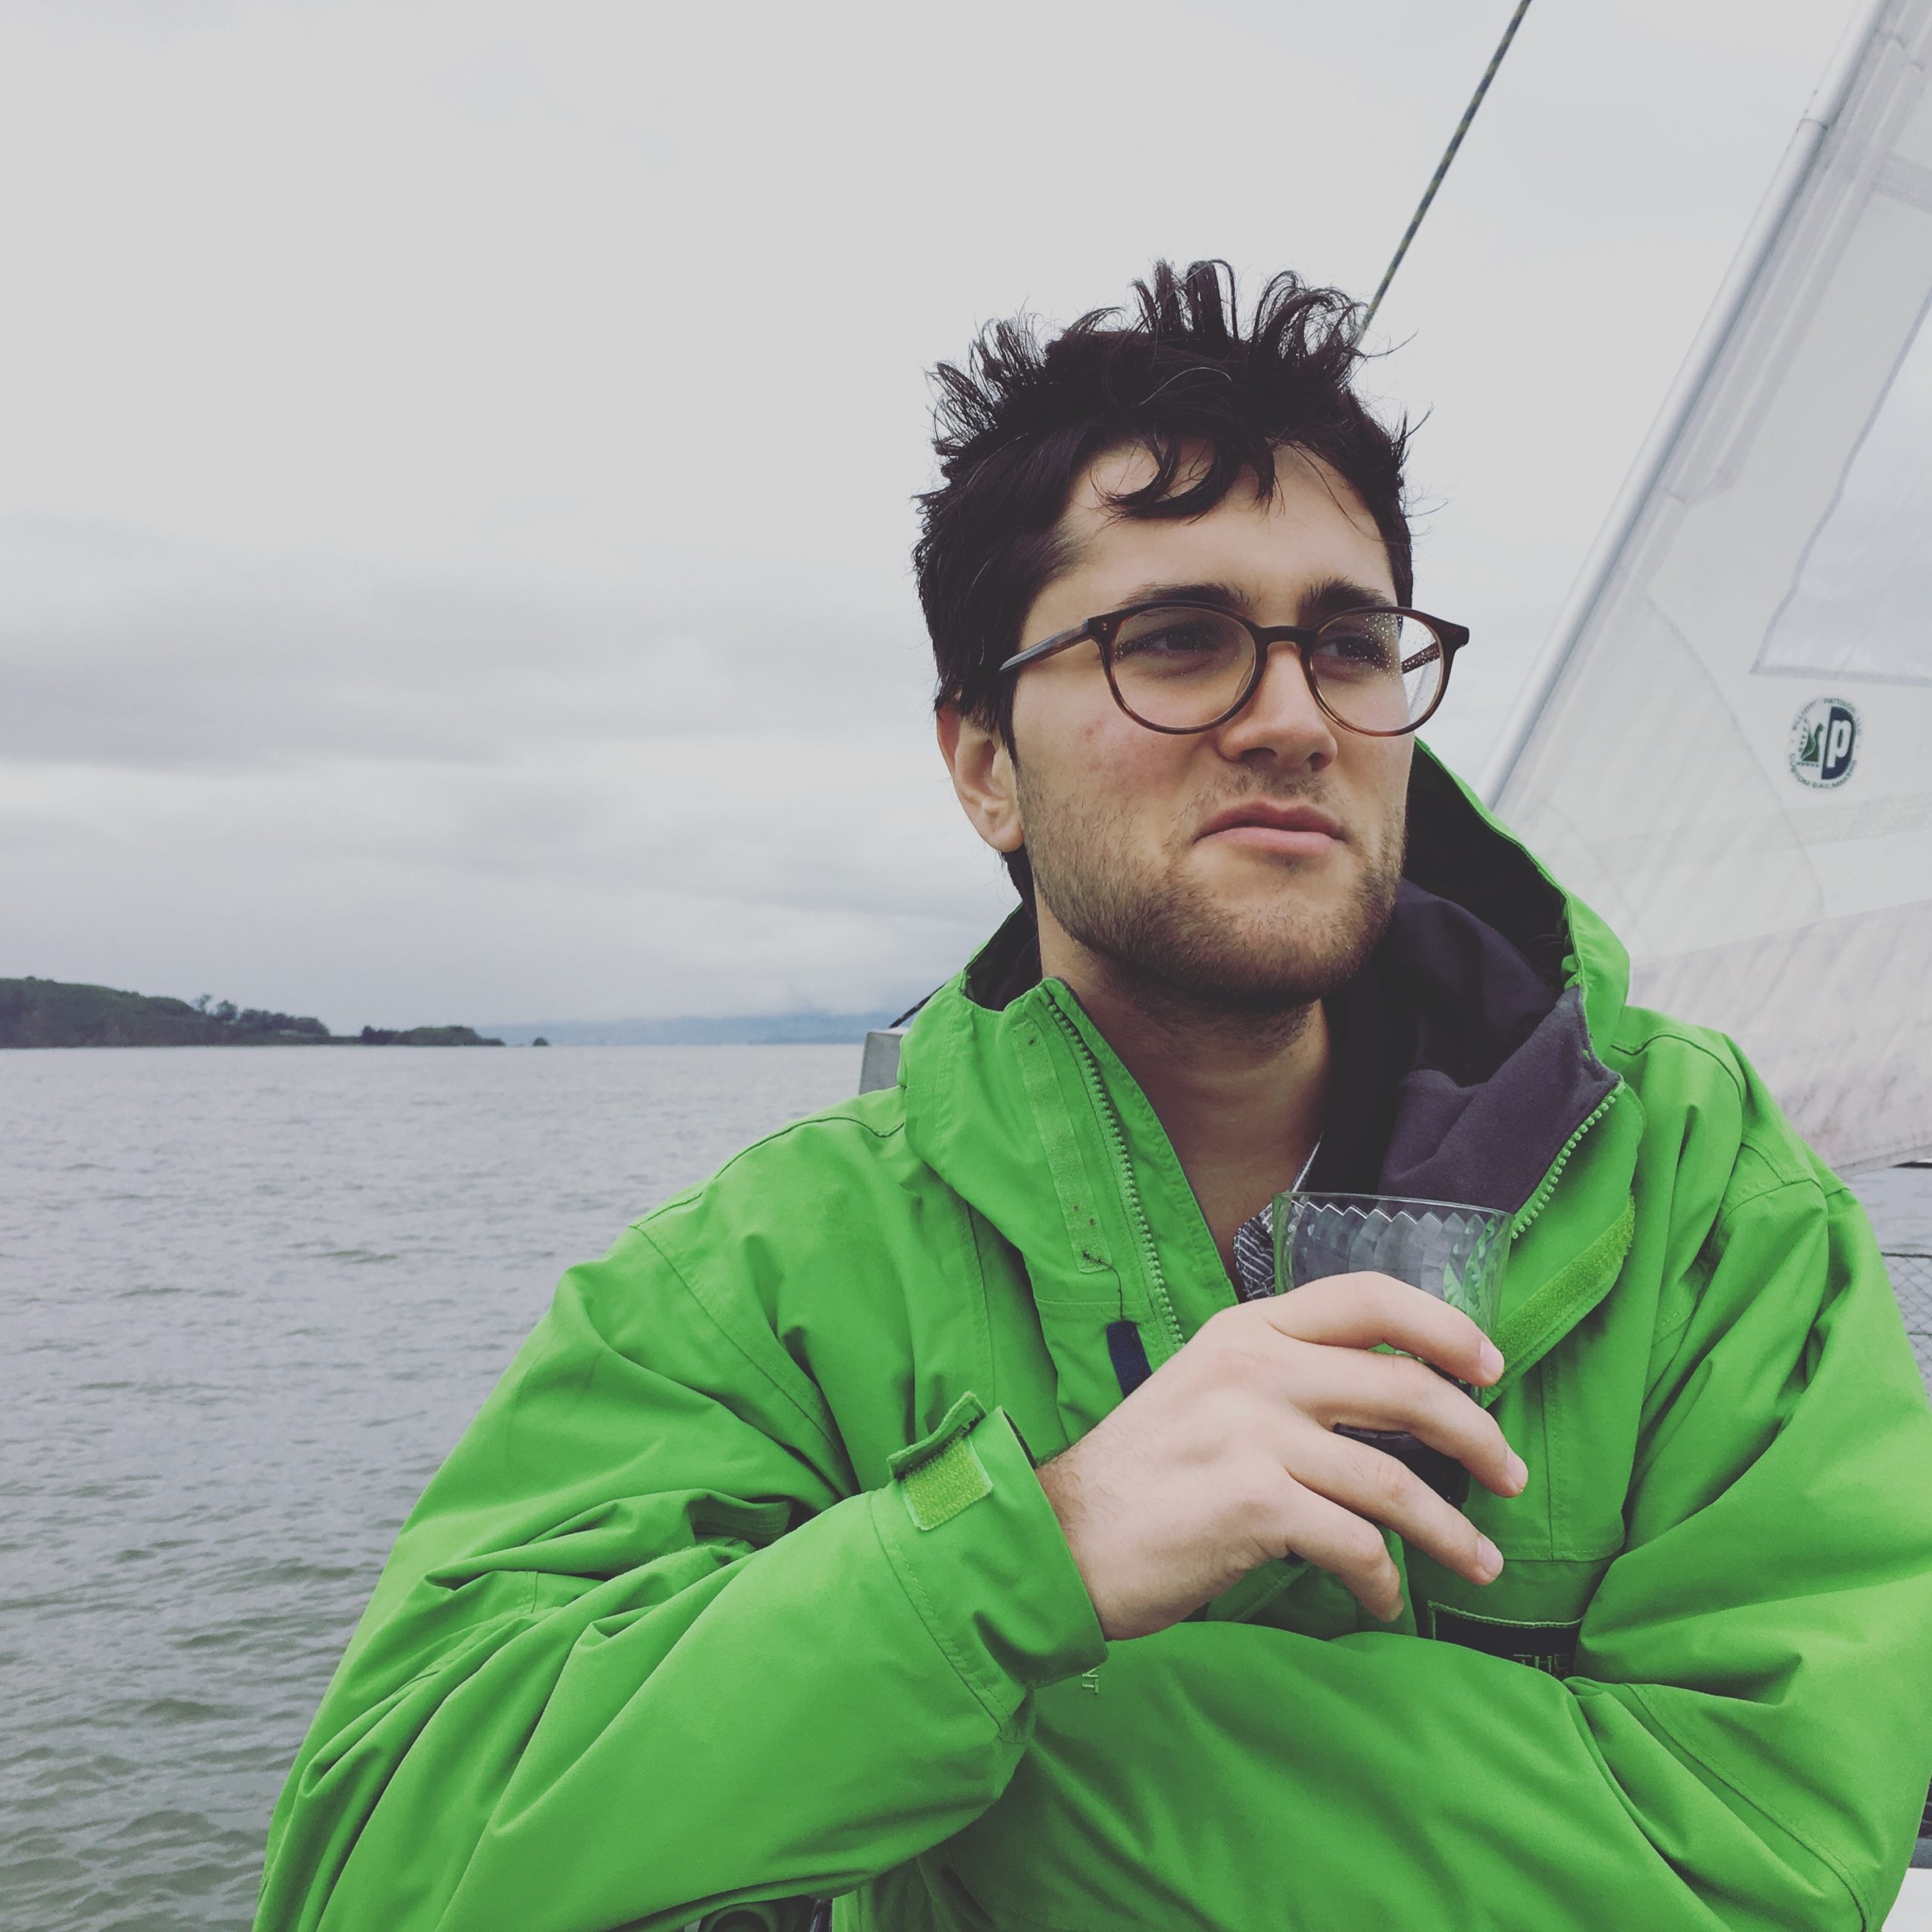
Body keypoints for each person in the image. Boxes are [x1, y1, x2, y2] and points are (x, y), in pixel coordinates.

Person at [256, 261, 1932, 1932]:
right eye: (1176, 641)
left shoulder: (1698, 1191)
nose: (1288, 715)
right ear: (982, 758)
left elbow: (1767, 1844)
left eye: (1349, 644)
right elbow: (378, 1858)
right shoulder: (768, 1273)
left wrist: (940, 1766)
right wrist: (1033, 1544)